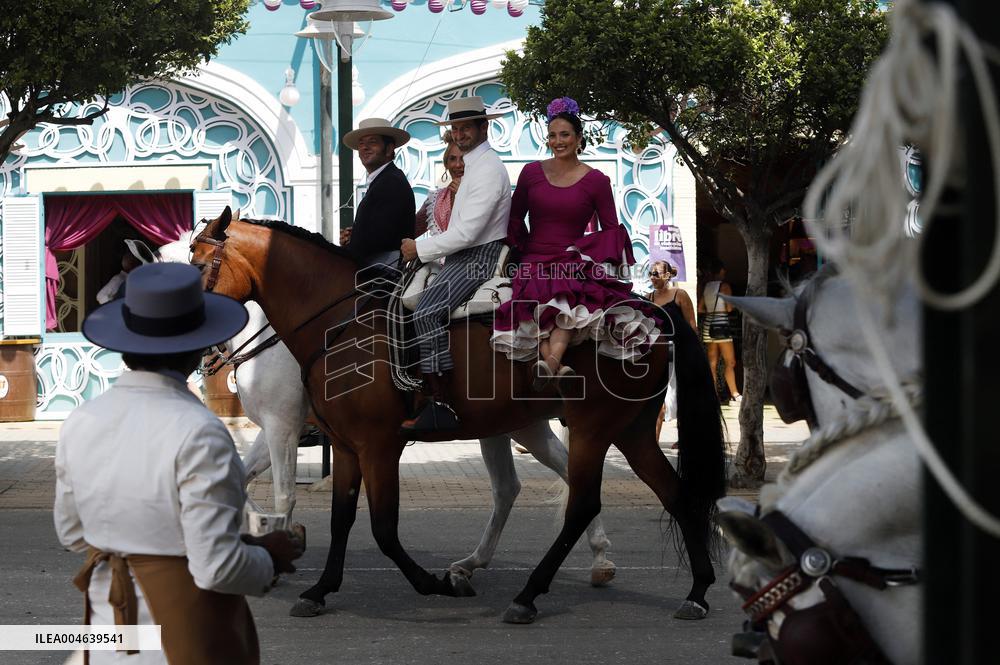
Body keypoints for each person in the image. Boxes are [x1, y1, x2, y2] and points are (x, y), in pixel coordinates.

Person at [55, 263, 303, 664]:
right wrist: (267, 558)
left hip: (103, 637)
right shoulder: (199, 430)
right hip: (183, 638)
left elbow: (71, 532)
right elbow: (216, 567)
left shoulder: (80, 422)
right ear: (196, 348)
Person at [491, 96, 659, 393]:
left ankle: (551, 364)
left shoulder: (596, 180)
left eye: (565, 135)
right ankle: (557, 366)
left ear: (579, 138)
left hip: (572, 260)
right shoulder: (530, 172)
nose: (558, 141)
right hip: (533, 259)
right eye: (552, 135)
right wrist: (518, 250)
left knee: (564, 298)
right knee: (534, 303)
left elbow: (610, 229)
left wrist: (594, 260)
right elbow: (515, 219)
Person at [399, 96, 511, 434]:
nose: (460, 134)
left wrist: (419, 248)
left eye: (466, 128)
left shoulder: (489, 169)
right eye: (456, 129)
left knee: (426, 312)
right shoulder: (476, 165)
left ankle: (442, 403)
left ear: (484, 127)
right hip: (463, 253)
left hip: (479, 256)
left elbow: (467, 232)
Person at [340, 117, 416, 264]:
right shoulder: (383, 179)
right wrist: (354, 236)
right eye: (361, 144)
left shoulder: (391, 181)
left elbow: (381, 237)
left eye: (372, 142)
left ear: (389, 149)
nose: (364, 148)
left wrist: (350, 243)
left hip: (384, 273)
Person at [647, 260, 696, 443]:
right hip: (659, 354)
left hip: (680, 351)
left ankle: (683, 439)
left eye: (656, 273)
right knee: (657, 402)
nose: (653, 277)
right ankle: (653, 443)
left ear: (667, 275)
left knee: (682, 397)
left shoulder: (679, 295)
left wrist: (693, 355)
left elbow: (692, 325)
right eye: (650, 273)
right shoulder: (648, 297)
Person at [699, 258, 742, 404]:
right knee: (730, 362)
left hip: (708, 327)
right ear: (721, 271)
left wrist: (711, 311)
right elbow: (729, 308)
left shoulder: (706, 287)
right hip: (722, 326)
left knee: (712, 363)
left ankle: (713, 395)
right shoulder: (725, 286)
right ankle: (735, 394)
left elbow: (700, 308)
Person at [414, 129, 463, 240]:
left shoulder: (481, 192)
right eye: (452, 159)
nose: (458, 165)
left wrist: (463, 194)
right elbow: (412, 230)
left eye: (463, 159)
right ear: (446, 163)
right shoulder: (436, 199)